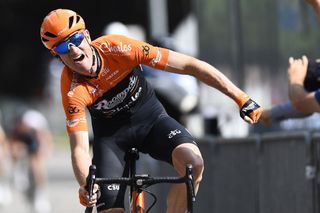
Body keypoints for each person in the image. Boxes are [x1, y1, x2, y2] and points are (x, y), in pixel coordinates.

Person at [40, 9, 263, 213]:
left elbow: (190, 66)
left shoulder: (119, 48)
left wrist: (240, 97)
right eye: (61, 47)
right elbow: (78, 147)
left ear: (87, 36)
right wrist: (86, 183)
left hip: (152, 121)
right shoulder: (72, 90)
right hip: (111, 140)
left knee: (193, 164)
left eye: (76, 39)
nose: (73, 50)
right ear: (56, 56)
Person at [9, 109, 52, 213]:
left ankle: (40, 195)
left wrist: (45, 151)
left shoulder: (36, 130)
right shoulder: (18, 129)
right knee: (15, 149)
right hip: (26, 138)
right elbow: (13, 144)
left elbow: (44, 141)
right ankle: (18, 174)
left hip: (38, 138)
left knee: (37, 163)